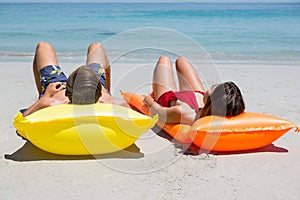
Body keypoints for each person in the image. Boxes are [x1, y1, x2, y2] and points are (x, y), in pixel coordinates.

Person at [23, 41, 127, 117]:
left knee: (43, 46)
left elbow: (23, 118)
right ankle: (106, 89)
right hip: (92, 87)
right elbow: (135, 114)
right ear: (100, 93)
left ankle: (41, 93)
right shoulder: (109, 101)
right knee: (96, 46)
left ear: (67, 93)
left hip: (59, 89)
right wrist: (106, 93)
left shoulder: (51, 102)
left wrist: (46, 96)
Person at [143, 56, 245, 125]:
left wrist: (148, 100)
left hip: (169, 98)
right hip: (197, 96)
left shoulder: (184, 114)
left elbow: (159, 113)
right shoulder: (214, 105)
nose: (213, 84)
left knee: (164, 60)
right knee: (181, 60)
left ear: (211, 100)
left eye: (213, 88)